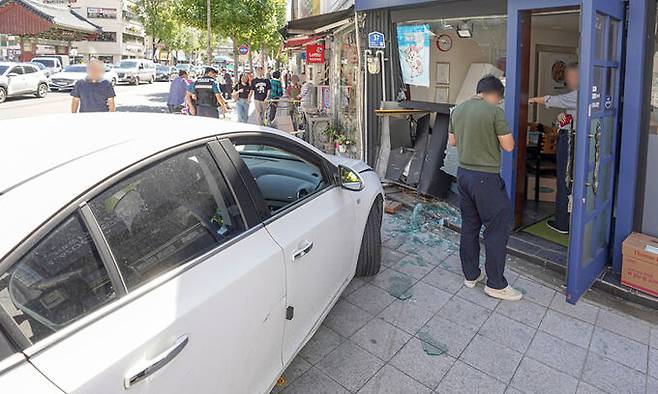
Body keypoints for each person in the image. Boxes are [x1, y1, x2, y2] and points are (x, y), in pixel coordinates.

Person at [448, 74, 521, 301]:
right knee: (497, 227)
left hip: (463, 175)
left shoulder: (458, 110)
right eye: (498, 99)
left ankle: (471, 275)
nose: (498, 103)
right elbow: (509, 146)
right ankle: (496, 284)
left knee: (470, 225)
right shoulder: (494, 112)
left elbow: (452, 142)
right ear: (493, 94)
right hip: (486, 178)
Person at [528, 63, 578, 234]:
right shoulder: (587, 94)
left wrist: (533, 100)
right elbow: (568, 117)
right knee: (569, 179)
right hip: (571, 136)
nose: (567, 79)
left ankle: (562, 222)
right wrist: (561, 117)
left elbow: (555, 100)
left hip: (570, 139)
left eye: (569, 76)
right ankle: (569, 220)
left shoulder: (581, 94)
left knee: (564, 178)